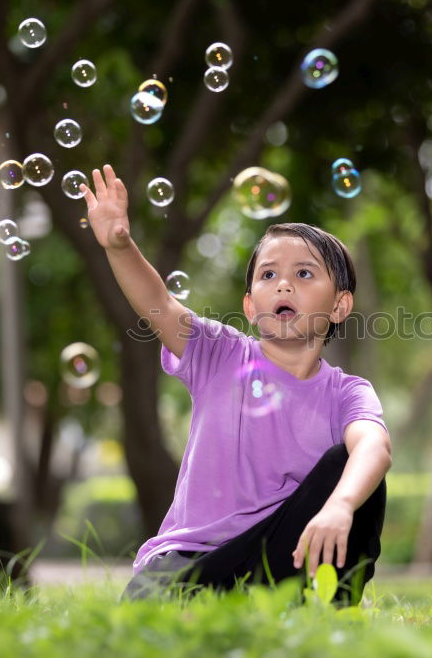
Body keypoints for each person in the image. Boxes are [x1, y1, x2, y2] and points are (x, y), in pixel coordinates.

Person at [80, 165, 391, 605]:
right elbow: (159, 302)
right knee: (152, 618)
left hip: (278, 562)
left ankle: (325, 613)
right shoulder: (220, 353)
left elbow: (375, 446)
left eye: (304, 274)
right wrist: (119, 244)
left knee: (357, 466)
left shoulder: (347, 392)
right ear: (249, 306)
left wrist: (340, 505)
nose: (283, 282)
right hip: (190, 566)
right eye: (268, 275)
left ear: (340, 306)